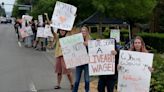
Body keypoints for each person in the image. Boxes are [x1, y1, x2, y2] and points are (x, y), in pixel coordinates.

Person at [72, 26, 91, 92]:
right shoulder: (77, 40)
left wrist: (89, 45)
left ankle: (87, 91)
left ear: (87, 32)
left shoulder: (90, 40)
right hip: (79, 62)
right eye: (82, 31)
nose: (83, 32)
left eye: (84, 31)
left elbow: (95, 48)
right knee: (77, 81)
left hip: (87, 63)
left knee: (87, 80)